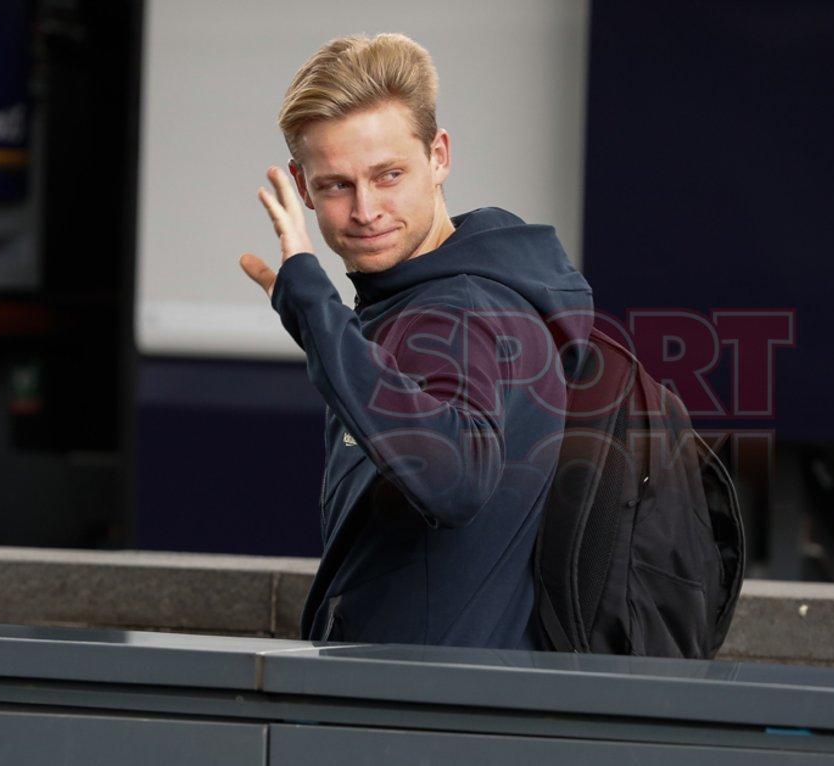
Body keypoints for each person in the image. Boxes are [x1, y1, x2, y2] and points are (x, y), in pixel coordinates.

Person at [238, 32, 594, 649]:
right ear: (303, 185)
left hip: (424, 699)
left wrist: (318, 313)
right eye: (336, 185)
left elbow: (455, 478)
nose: (366, 210)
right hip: (438, 690)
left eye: (389, 175)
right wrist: (328, 331)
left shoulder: (458, 311)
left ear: (439, 156)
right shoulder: (447, 294)